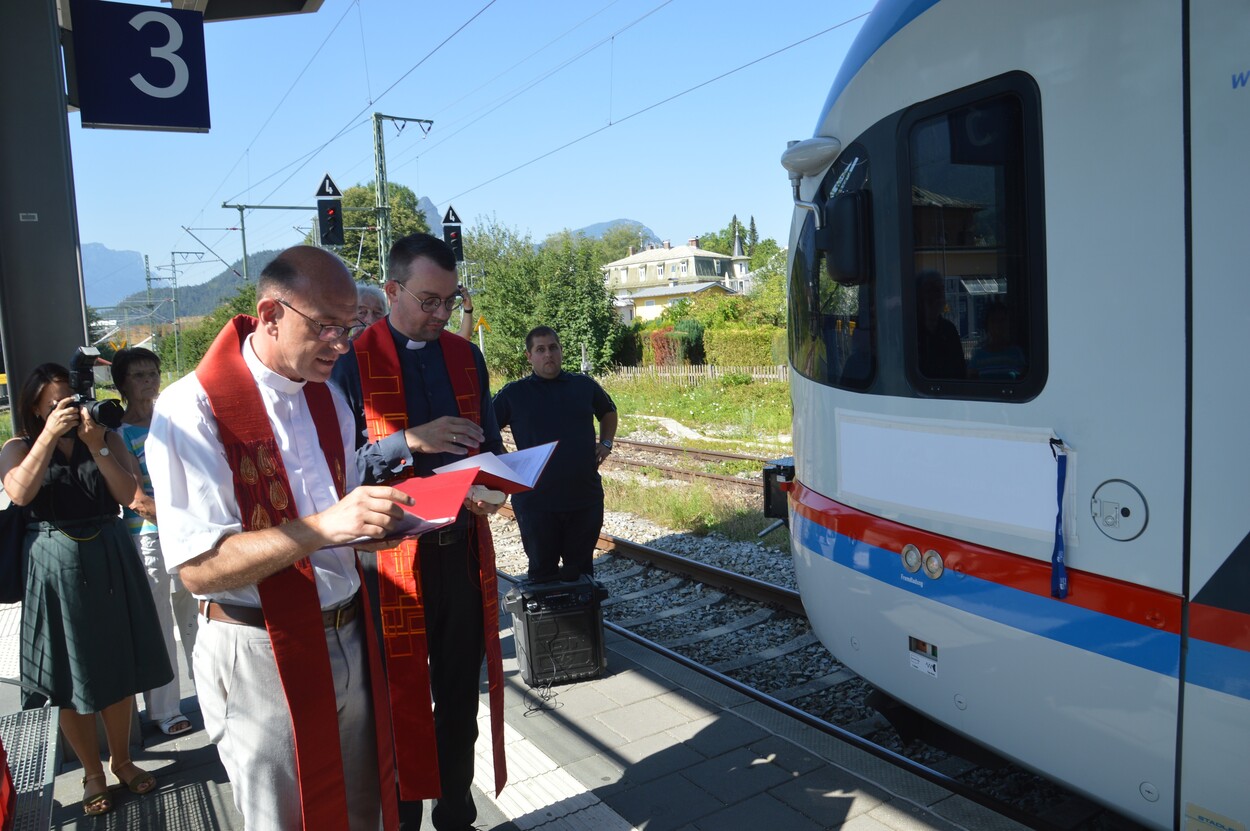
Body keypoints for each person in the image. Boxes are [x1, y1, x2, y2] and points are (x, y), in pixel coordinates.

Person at [146, 245, 416, 831]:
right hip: (259, 651)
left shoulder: (327, 397)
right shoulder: (189, 410)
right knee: (284, 821)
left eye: (350, 328)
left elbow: (336, 527)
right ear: (271, 315)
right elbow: (198, 568)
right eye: (326, 327)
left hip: (347, 631)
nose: (342, 346)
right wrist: (324, 528)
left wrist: (383, 522)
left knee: (361, 811)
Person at [332, 232, 507, 831]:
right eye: (428, 301)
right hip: (387, 567)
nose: (440, 315)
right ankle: (400, 815)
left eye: (450, 301)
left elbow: (487, 442)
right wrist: (406, 440)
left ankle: (456, 809)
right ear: (391, 290)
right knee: (393, 699)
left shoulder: (467, 357)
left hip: (456, 552)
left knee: (459, 694)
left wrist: (493, 485)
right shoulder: (350, 364)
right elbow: (332, 471)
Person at [0, 363, 172, 816]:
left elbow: (125, 494)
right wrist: (46, 439)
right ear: (35, 406)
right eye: (55, 403)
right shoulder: (17, 446)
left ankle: (122, 761)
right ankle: (91, 772)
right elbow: (19, 493)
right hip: (52, 562)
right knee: (68, 673)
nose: (67, 409)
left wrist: (97, 447)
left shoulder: (107, 437)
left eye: (70, 400)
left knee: (115, 663)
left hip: (108, 552)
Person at [112, 346, 196, 738]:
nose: (149, 381)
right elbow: (137, 499)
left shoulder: (173, 420)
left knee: (198, 615)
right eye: (139, 376)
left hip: (187, 529)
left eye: (153, 373)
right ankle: (164, 711)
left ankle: (212, 694)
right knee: (160, 621)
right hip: (150, 537)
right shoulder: (119, 433)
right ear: (122, 385)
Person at [493, 326, 617, 582]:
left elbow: (608, 411)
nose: (548, 354)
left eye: (553, 348)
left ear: (560, 351)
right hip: (536, 503)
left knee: (581, 574)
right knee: (542, 574)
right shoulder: (514, 394)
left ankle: (581, 621)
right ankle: (548, 622)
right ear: (529, 356)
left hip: (584, 499)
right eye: (540, 349)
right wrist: (508, 465)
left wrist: (606, 442)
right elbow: (486, 430)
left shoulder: (583, 386)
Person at [916, 269, 966, 379]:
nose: (937, 296)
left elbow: (960, 371)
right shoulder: (911, 332)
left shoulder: (949, 330)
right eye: (931, 290)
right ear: (920, 296)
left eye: (940, 290)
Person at [968, 301, 1027, 380]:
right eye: (993, 321)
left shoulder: (1017, 353)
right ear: (987, 325)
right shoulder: (977, 356)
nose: (998, 325)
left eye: (1002, 321)